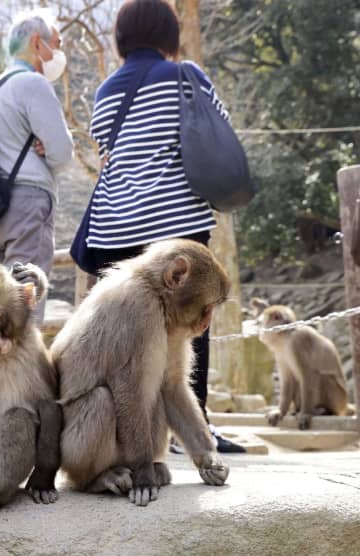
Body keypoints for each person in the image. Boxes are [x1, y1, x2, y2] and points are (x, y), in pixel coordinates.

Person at [77, 0, 243, 453]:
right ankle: (194, 429)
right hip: (175, 222)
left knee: (122, 332)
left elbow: (105, 153)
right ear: (170, 34)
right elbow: (219, 131)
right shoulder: (186, 75)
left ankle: (125, 431)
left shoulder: (107, 89)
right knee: (192, 321)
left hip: (114, 225)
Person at [0, 9, 74, 323]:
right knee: (23, 300)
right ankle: (23, 369)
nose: (58, 53)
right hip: (27, 205)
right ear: (37, 43)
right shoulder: (33, 84)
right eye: (56, 44)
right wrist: (47, 151)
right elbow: (62, 153)